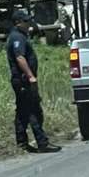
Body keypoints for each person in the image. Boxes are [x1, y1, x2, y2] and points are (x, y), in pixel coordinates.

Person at [6, 10, 61, 153]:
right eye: (26, 21)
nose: (28, 23)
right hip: (23, 80)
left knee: (22, 111)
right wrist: (30, 76)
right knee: (33, 111)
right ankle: (42, 142)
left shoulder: (20, 36)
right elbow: (20, 58)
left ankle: (22, 143)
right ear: (18, 23)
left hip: (21, 80)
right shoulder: (17, 38)